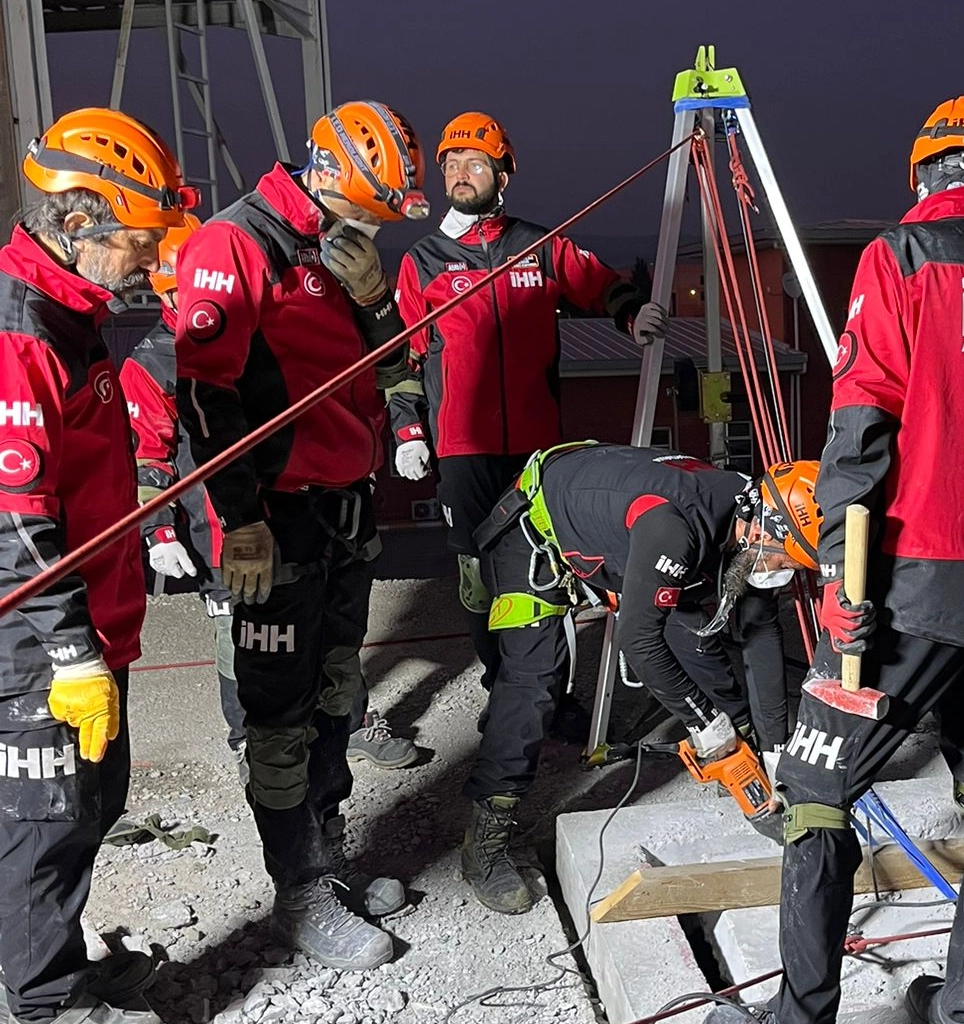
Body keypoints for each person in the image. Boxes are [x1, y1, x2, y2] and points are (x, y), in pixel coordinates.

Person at [708, 95, 964, 1024]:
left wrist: (846, 577)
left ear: (925, 172)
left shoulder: (904, 256)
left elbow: (863, 422)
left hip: (909, 581)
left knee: (814, 792)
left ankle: (800, 1014)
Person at [173, 100, 429, 971]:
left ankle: (327, 854)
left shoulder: (340, 253)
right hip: (272, 527)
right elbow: (205, 395)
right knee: (277, 713)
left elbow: (392, 366)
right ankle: (298, 891)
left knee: (334, 692)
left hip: (342, 514)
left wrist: (374, 300)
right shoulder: (233, 245)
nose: (372, 229)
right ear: (327, 177)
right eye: (368, 209)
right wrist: (239, 521)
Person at [0, 106, 195, 1024]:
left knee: (89, 804)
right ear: (77, 224)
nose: (150, 264)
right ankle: (45, 1003)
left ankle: (62, 963)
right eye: (139, 243)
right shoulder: (21, 338)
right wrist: (74, 655)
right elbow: (17, 524)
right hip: (40, 649)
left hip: (94, 629)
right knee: (44, 822)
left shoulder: (71, 314)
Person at [386, 111, 668, 727]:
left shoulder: (541, 245)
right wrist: (409, 431)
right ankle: (504, 693)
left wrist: (632, 315)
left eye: (475, 164)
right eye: (451, 165)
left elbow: (599, 283)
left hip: (538, 448)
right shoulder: (424, 261)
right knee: (478, 582)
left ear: (503, 173)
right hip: (462, 450)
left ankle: (553, 700)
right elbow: (403, 358)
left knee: (545, 576)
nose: (461, 175)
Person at [464, 444, 820, 914]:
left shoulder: (750, 509)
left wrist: (776, 752)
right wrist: (708, 726)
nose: (781, 574)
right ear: (759, 531)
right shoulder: (675, 527)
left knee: (698, 641)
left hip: (619, 521)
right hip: (537, 524)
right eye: (784, 563)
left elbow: (762, 633)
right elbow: (639, 642)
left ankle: (747, 769)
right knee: (535, 680)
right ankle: (486, 838)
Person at [120, 221, 420, 776]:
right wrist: (158, 531)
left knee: (329, 628)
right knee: (241, 643)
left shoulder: (252, 334)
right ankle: (249, 742)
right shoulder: (153, 362)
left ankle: (347, 725)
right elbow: (148, 457)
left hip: (277, 513)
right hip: (213, 527)